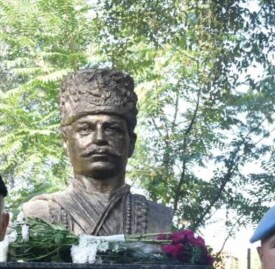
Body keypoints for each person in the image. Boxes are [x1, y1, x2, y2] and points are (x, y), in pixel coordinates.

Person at [20, 68, 173, 236]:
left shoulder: (158, 217)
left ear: (131, 143)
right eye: (85, 129)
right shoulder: (39, 214)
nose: (99, 138)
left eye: (112, 129)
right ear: (65, 142)